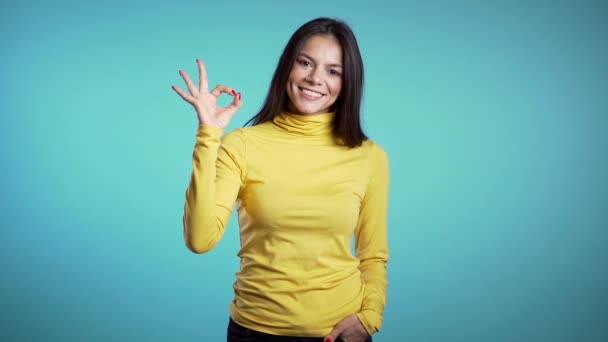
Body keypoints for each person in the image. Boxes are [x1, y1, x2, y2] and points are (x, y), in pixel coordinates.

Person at [172, 17, 389, 342]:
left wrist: (370, 316)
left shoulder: (369, 156)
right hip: (255, 331)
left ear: (347, 83)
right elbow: (200, 239)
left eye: (333, 71)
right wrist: (209, 134)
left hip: (340, 334)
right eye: (305, 63)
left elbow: (372, 254)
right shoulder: (242, 145)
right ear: (288, 66)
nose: (315, 78)